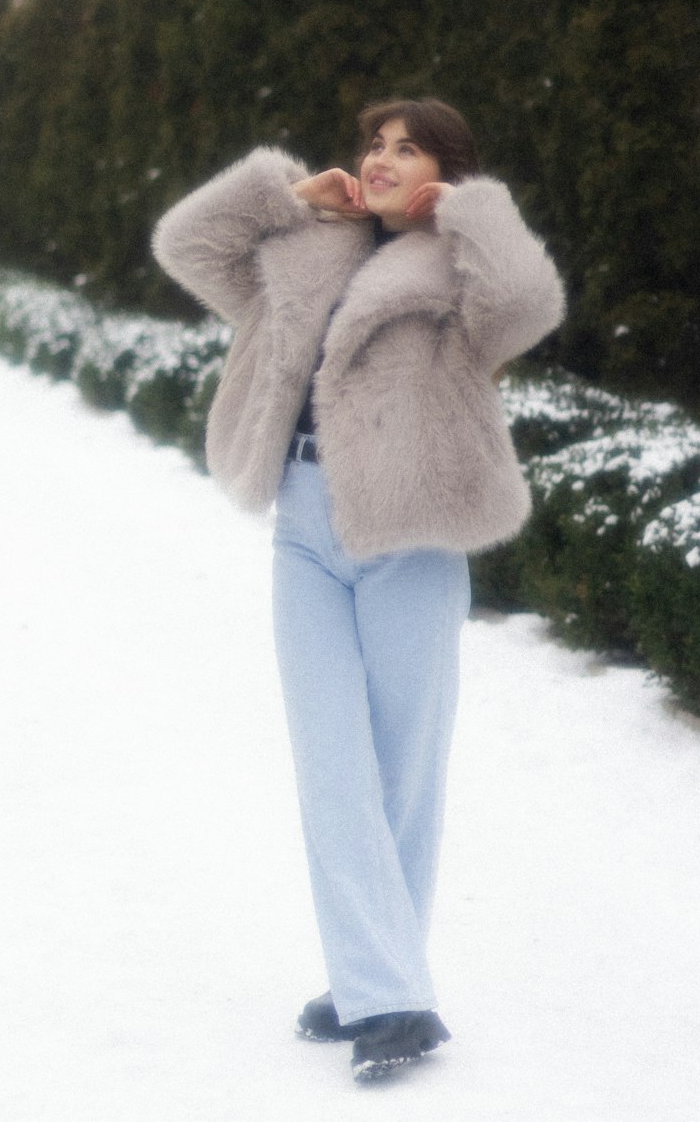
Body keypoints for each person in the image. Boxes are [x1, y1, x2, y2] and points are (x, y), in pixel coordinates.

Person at [153, 98, 564, 1084]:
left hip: (410, 537)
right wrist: (284, 193)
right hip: (303, 533)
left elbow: (528, 303)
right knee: (330, 763)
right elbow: (185, 247)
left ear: (443, 172)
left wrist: (465, 210)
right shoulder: (303, 253)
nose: (378, 159)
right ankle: (385, 989)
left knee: (400, 774)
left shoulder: (461, 273)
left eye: (404, 148)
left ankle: (375, 986)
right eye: (371, 145)